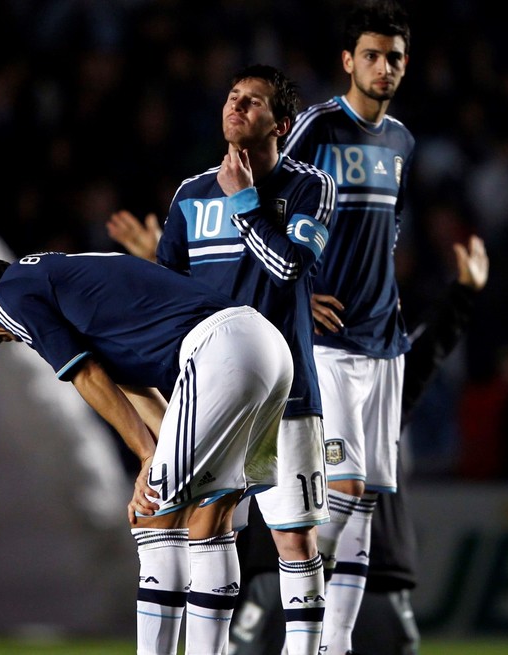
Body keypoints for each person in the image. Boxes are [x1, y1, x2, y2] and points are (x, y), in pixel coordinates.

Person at [0, 250, 292, 655]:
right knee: (211, 515)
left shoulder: (9, 296)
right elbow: (131, 377)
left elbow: (85, 374)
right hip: (263, 346)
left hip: (219, 352)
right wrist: (159, 451)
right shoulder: (54, 277)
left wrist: (148, 457)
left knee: (152, 513)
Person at [228, 235, 488, 655]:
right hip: (317, 572)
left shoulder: (279, 369)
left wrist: (461, 296)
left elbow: (225, 335)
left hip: (331, 574)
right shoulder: (282, 366)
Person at [151, 63, 335, 655]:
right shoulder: (189, 194)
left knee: (294, 539)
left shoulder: (311, 188)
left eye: (253, 103)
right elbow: (168, 295)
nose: (237, 107)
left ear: (280, 123)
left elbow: (288, 270)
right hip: (210, 393)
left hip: (288, 393)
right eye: (233, 97)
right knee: (206, 527)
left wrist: (247, 203)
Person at [279, 3, 413, 651]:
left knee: (364, 504)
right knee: (347, 489)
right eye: (372, 55)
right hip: (328, 343)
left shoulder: (401, 142)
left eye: (394, 57)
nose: (383, 68)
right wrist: (299, 292)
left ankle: (333, 643)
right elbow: (263, 218)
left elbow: (383, 236)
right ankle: (296, 614)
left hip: (386, 344)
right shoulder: (315, 130)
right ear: (347, 61)